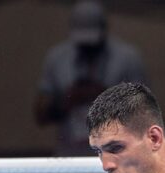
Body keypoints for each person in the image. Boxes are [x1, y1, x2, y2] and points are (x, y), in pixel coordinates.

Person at [35, 0, 147, 156]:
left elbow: (144, 112)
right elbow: (40, 114)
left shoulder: (127, 58)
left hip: (117, 156)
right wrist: (66, 102)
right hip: (69, 154)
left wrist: (106, 97)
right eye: (83, 44)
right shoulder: (57, 59)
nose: (88, 49)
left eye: (93, 44)